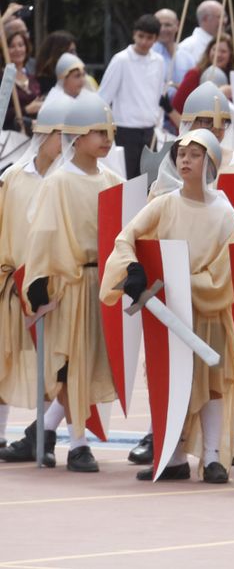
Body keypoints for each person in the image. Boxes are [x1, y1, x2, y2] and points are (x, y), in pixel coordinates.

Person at [101, 129, 234, 483]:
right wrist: (132, 266)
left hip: (208, 309)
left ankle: (212, 458)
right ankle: (173, 455)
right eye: (181, 154)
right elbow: (126, 237)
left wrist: (184, 284)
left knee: (210, 383)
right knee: (173, 381)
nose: (185, 160)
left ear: (209, 162)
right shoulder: (165, 203)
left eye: (194, 154)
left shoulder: (225, 213)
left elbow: (226, 269)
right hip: (170, 312)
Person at [21, 93, 123, 472]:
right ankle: (78, 443)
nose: (106, 137)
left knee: (95, 364)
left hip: (104, 282)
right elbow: (43, 234)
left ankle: (43, 430)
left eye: (108, 130)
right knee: (70, 365)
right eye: (98, 131)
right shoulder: (58, 183)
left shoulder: (113, 180)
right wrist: (40, 280)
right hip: (71, 283)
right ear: (76, 137)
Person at [0, 90, 70, 464]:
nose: (68, 142)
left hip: (56, 283)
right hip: (15, 280)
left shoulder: (69, 180)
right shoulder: (13, 177)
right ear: (44, 135)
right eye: (62, 134)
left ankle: (42, 431)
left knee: (59, 366)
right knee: (6, 358)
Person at [99, 14, 170, 177]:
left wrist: (157, 125)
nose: (144, 42)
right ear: (134, 35)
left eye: (150, 38)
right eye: (141, 36)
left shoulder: (159, 61)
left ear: (156, 39)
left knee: (148, 179)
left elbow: (157, 94)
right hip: (125, 129)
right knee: (126, 178)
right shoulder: (121, 60)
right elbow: (104, 96)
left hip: (149, 129)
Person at [174, 33, 234, 114]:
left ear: (231, 55)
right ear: (209, 51)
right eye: (214, 49)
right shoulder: (194, 74)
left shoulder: (233, 81)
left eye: (223, 51)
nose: (218, 55)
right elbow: (177, 107)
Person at [173, 0, 224, 81]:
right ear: (205, 18)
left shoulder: (225, 44)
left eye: (225, 17)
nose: (224, 21)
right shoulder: (187, 47)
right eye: (219, 17)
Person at [4, 27, 40, 127]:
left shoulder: (32, 78)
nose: (18, 50)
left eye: (21, 45)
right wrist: (26, 109)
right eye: (12, 46)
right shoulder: (3, 78)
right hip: (10, 137)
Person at [34, 31, 77, 100]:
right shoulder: (39, 85)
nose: (75, 56)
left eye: (74, 51)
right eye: (71, 52)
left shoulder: (76, 79)